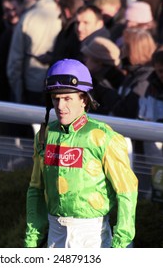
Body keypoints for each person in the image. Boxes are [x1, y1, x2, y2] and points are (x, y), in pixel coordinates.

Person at [25, 58, 138, 248]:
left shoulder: (104, 137)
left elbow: (127, 191)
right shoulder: (44, 135)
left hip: (93, 237)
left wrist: (121, 243)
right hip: (55, 234)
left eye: (68, 98)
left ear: (84, 99)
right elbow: (36, 189)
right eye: (56, 98)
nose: (60, 106)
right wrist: (32, 240)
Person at [6, 0, 61, 106]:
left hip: (32, 86)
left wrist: (17, 93)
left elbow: (15, 61)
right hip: (59, 86)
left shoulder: (28, 17)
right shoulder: (63, 15)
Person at [80, 36, 124, 115]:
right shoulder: (96, 78)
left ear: (99, 62)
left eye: (88, 57)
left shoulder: (109, 84)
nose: (85, 60)